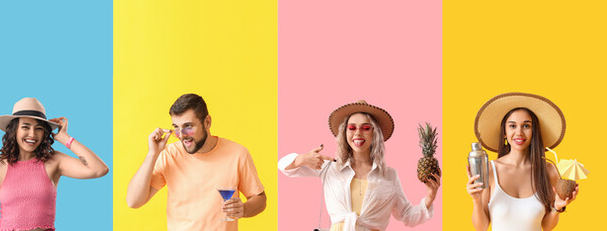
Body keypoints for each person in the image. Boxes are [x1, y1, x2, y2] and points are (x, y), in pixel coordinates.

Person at [278, 100, 439, 231]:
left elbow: (408, 216)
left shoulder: (389, 175)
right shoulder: (329, 167)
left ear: (374, 133)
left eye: (366, 128)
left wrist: (430, 196)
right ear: (345, 132)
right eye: (352, 127)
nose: (358, 133)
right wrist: (302, 159)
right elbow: (283, 166)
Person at [0, 97, 109, 231]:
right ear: (14, 130)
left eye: (39, 128)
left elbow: (99, 169)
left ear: (45, 133)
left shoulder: (53, 161)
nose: (32, 134)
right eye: (25, 127)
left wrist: (64, 138)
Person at [126, 93, 267, 231]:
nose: (181, 135)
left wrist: (243, 209)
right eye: (176, 127)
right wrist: (152, 154)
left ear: (207, 122)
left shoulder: (237, 154)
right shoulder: (170, 154)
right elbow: (133, 201)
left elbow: (260, 199)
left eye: (188, 126)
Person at [467, 92, 578, 231]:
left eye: (526, 126)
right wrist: (476, 200)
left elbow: (546, 226)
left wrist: (557, 207)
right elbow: (481, 227)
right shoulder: (490, 169)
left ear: (534, 131)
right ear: (504, 133)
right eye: (512, 126)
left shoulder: (548, 170)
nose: (519, 132)